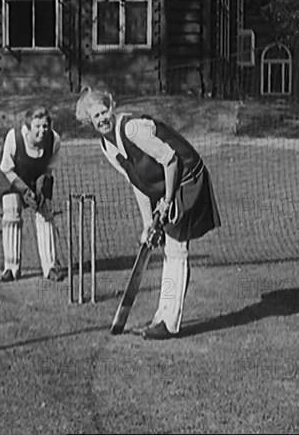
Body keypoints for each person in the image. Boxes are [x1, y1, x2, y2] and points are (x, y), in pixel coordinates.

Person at [75, 87, 221, 340]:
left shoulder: (131, 129)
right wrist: (147, 225)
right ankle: (162, 316)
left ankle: (170, 323)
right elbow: (137, 181)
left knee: (176, 249)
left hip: (187, 177)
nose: (102, 119)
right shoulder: (107, 147)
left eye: (104, 111)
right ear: (89, 122)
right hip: (165, 185)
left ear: (112, 106)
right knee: (169, 250)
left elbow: (171, 160)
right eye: (95, 117)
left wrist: (165, 202)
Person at [0, 107, 63, 283]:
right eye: (37, 126)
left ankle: (51, 267)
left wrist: (40, 188)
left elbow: (48, 169)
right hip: (11, 178)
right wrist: (24, 190)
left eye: (45, 126)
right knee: (12, 212)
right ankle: (11, 268)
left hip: (36, 178)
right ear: (28, 127)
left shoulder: (54, 140)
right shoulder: (14, 138)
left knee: (45, 215)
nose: (42, 131)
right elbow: (6, 168)